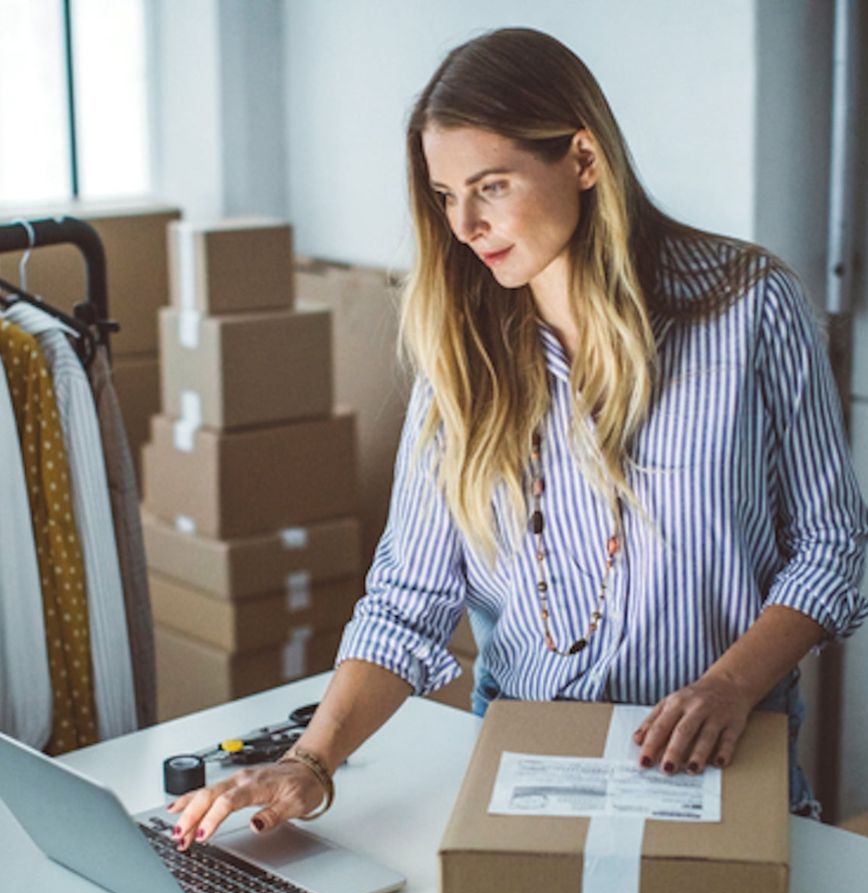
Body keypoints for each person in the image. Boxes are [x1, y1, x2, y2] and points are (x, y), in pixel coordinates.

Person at [170, 27, 868, 848]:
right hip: (529, 766)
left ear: (582, 158)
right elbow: (407, 603)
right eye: (443, 195)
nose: (464, 224)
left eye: (490, 186)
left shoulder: (751, 306)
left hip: (720, 758)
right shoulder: (461, 356)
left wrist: (728, 686)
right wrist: (312, 763)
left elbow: (834, 547)